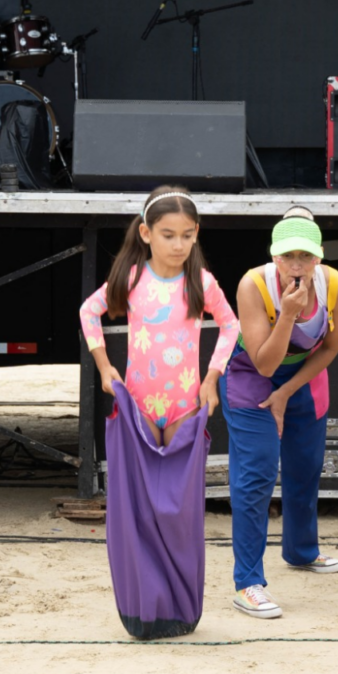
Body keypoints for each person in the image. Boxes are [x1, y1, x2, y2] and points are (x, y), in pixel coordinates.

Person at [80, 186, 238, 638]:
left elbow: (231, 325)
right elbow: (88, 313)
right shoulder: (131, 278)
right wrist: (106, 367)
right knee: (141, 510)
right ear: (146, 233)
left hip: (187, 407)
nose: (178, 244)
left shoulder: (201, 281)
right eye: (168, 235)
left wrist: (212, 377)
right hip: (141, 407)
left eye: (187, 235)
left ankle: (181, 609)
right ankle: (146, 608)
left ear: (196, 235)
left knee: (180, 514)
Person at [219, 208, 338, 619]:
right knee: (256, 475)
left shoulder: (337, 287)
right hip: (251, 376)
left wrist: (289, 392)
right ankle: (248, 583)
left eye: (305, 256)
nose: (296, 265)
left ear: (320, 256)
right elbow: (263, 363)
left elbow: (330, 349)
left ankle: (301, 551)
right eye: (287, 256)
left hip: (304, 378)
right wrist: (290, 313)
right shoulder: (253, 284)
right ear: (274, 257)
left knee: (307, 466)